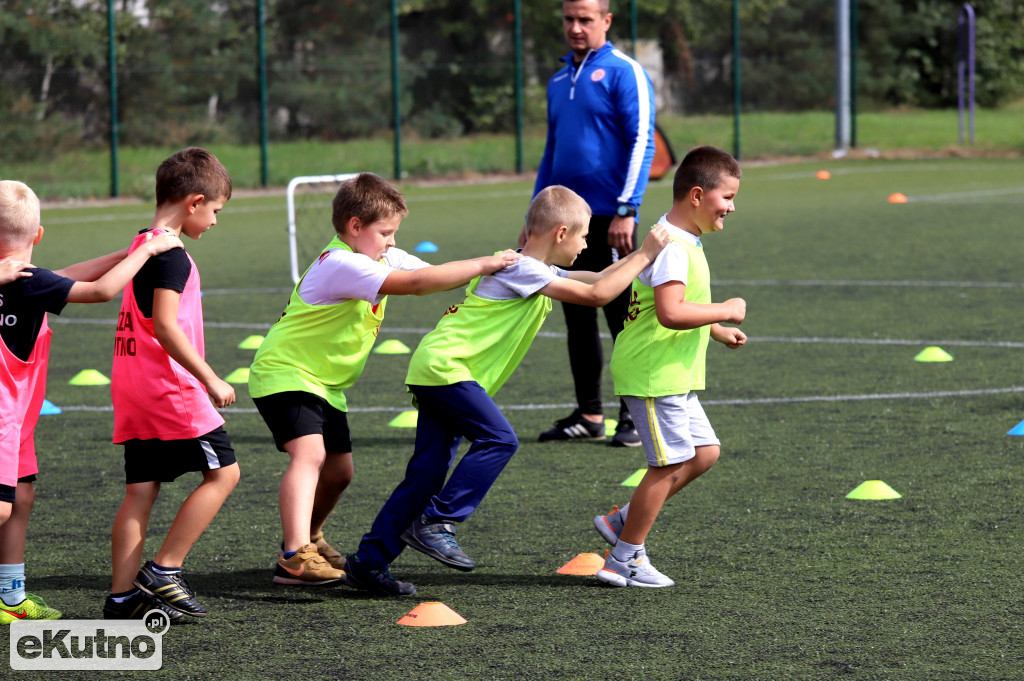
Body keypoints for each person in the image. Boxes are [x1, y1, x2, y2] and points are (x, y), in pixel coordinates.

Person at [344, 185, 670, 596]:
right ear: (561, 233)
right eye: (584, 236)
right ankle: (437, 521)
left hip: (438, 370)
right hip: (447, 369)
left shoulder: (537, 269)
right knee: (499, 439)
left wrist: (642, 263)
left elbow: (600, 278)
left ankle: (368, 562)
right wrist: (645, 252)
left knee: (425, 475)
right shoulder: (523, 269)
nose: (586, 244)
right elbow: (596, 296)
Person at [248, 173, 520, 587]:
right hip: (286, 373)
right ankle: (294, 556)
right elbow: (415, 284)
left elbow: (436, 272)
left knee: (340, 473)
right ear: (355, 226)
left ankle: (312, 537)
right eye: (385, 233)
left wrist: (507, 270)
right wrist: (487, 263)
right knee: (310, 456)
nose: (392, 241)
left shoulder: (377, 256)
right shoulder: (341, 263)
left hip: (326, 385)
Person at [0, 179, 183, 624]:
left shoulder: (27, 281)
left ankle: (10, 598)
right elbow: (100, 291)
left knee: (21, 498)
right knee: (3, 505)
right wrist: (145, 254)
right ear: (38, 234)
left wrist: (128, 251)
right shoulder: (24, 281)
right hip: (4, 414)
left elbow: (67, 275)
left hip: (19, 417)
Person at [592, 146, 746, 587]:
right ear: (697, 195)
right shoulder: (674, 246)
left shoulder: (679, 238)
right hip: (654, 374)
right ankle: (625, 557)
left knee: (704, 453)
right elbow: (670, 313)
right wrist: (726, 310)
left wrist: (714, 329)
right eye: (727, 197)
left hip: (671, 373)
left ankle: (624, 520)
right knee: (667, 464)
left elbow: (671, 304)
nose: (732, 207)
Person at [105, 148, 240, 620]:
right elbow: (165, 325)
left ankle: (122, 598)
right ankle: (165, 569)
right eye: (216, 210)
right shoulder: (172, 256)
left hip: (132, 387)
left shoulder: (143, 243)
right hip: (170, 389)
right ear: (194, 201)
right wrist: (210, 378)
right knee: (225, 473)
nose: (216, 221)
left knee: (141, 491)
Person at [532, 0, 657, 447]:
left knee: (622, 317)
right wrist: (536, 217)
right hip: (564, 220)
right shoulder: (558, 79)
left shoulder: (625, 71)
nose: (576, 27)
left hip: (610, 215)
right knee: (577, 316)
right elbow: (552, 151)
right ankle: (589, 414)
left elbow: (642, 140)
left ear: (606, 21)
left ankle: (633, 415)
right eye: (569, 19)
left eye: (586, 19)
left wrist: (627, 208)